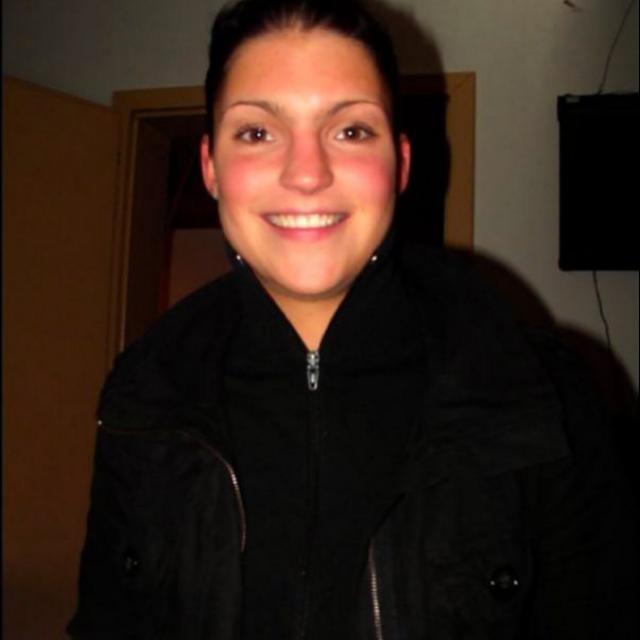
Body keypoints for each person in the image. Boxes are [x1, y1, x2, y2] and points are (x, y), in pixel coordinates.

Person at [67, 0, 636, 638]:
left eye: (351, 131)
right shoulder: (143, 396)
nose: (307, 174)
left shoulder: (541, 395)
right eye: (257, 133)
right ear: (209, 167)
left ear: (401, 164)